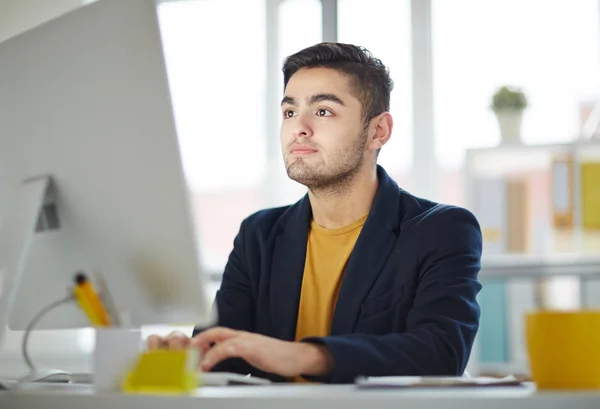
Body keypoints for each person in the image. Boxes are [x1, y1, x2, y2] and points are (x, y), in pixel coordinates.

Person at [148, 42, 483, 384]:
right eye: (289, 112)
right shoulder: (259, 235)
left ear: (377, 131)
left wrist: (304, 355)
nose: (299, 128)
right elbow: (221, 357)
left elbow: (441, 353)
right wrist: (186, 355)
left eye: (323, 111)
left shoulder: (442, 230)